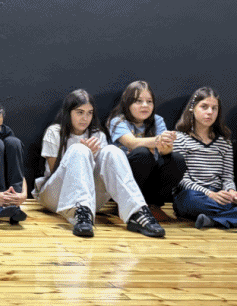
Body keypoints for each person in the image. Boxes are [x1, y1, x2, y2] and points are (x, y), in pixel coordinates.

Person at [32, 89, 166, 238]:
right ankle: (80, 214)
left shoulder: (98, 135)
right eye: (80, 112)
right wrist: (84, 154)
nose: (85, 118)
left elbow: (103, 175)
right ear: (68, 113)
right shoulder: (55, 132)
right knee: (79, 150)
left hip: (90, 200)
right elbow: (54, 172)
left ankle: (137, 212)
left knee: (112, 151)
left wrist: (94, 157)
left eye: (89, 113)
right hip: (56, 195)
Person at [107, 81, 186, 220]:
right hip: (124, 178)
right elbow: (131, 143)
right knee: (142, 154)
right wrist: (158, 140)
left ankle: (153, 205)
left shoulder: (157, 120)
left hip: (150, 176)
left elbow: (164, 152)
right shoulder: (118, 121)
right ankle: (125, 204)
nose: (145, 105)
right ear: (127, 103)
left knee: (177, 159)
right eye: (138, 101)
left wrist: (167, 144)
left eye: (149, 101)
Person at [172, 87, 237, 228]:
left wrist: (231, 192)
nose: (210, 112)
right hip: (193, 195)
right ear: (192, 108)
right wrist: (209, 194)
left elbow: (227, 177)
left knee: (228, 200)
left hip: (218, 195)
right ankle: (229, 216)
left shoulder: (224, 143)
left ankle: (212, 221)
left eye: (214, 108)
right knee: (189, 200)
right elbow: (182, 180)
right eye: (204, 107)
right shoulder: (179, 139)